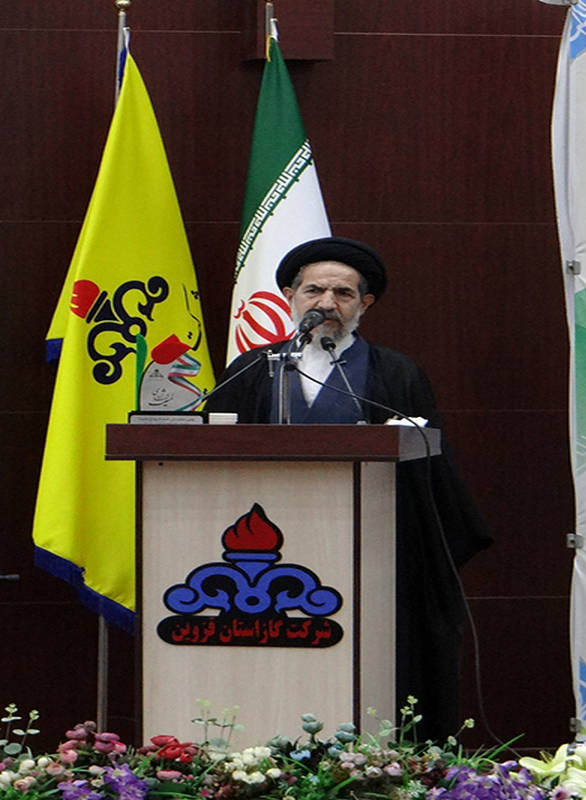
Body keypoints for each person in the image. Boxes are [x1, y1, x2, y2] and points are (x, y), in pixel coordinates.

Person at [205, 236, 493, 738]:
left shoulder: (396, 373)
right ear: (291, 298)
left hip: (373, 554)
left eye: (342, 293)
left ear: (365, 304)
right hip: (264, 563)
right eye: (314, 291)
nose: (327, 303)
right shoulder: (252, 369)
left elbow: (429, 471)